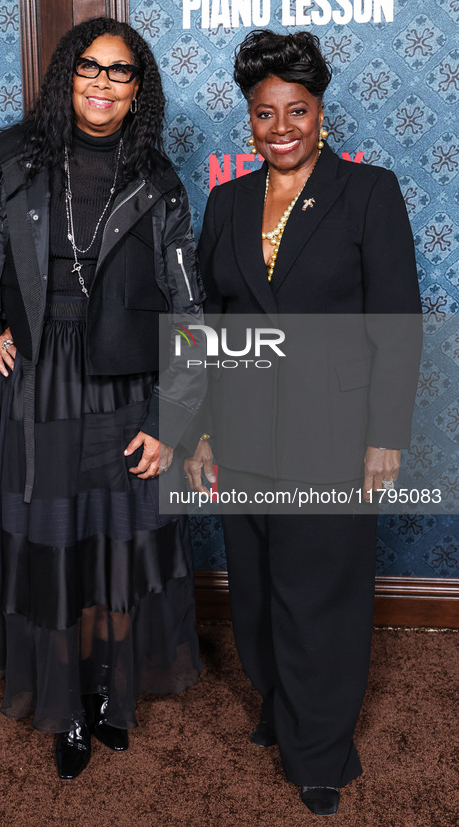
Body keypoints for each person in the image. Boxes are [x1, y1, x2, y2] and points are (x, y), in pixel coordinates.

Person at [0, 17, 205, 781]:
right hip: (41, 378)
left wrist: (169, 419)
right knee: (53, 543)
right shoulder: (11, 157)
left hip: (128, 382)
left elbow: (188, 309)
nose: (102, 84)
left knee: (119, 538)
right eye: (89, 68)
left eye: (120, 72)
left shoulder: (158, 175)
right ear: (65, 76)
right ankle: (65, 704)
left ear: (137, 89)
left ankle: (111, 690)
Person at [184, 30, 422, 816]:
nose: (280, 127)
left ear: (320, 112)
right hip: (244, 433)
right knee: (253, 590)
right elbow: (210, 325)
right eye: (263, 113)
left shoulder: (368, 192)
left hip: (333, 434)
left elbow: (396, 323)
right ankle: (280, 702)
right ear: (246, 121)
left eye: (297, 109)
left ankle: (319, 748)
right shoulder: (225, 202)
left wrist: (385, 433)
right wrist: (199, 432)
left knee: (319, 593)